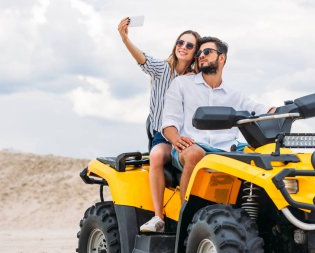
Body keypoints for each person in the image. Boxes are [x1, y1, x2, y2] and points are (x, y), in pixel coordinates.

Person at [162, 36, 276, 203]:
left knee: (269, 156)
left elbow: (262, 111)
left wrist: (283, 110)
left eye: (207, 52)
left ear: (222, 58)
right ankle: (185, 218)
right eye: (199, 52)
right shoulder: (181, 84)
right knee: (195, 153)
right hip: (190, 145)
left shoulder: (234, 94)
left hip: (228, 148)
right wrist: (176, 139)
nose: (201, 55)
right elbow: (169, 122)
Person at [117, 17, 200, 232]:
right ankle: (158, 217)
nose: (183, 47)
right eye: (180, 43)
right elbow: (142, 59)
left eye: (189, 45)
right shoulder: (163, 70)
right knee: (155, 156)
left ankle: (191, 213)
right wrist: (125, 38)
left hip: (189, 134)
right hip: (164, 135)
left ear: (195, 52)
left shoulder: (196, 78)